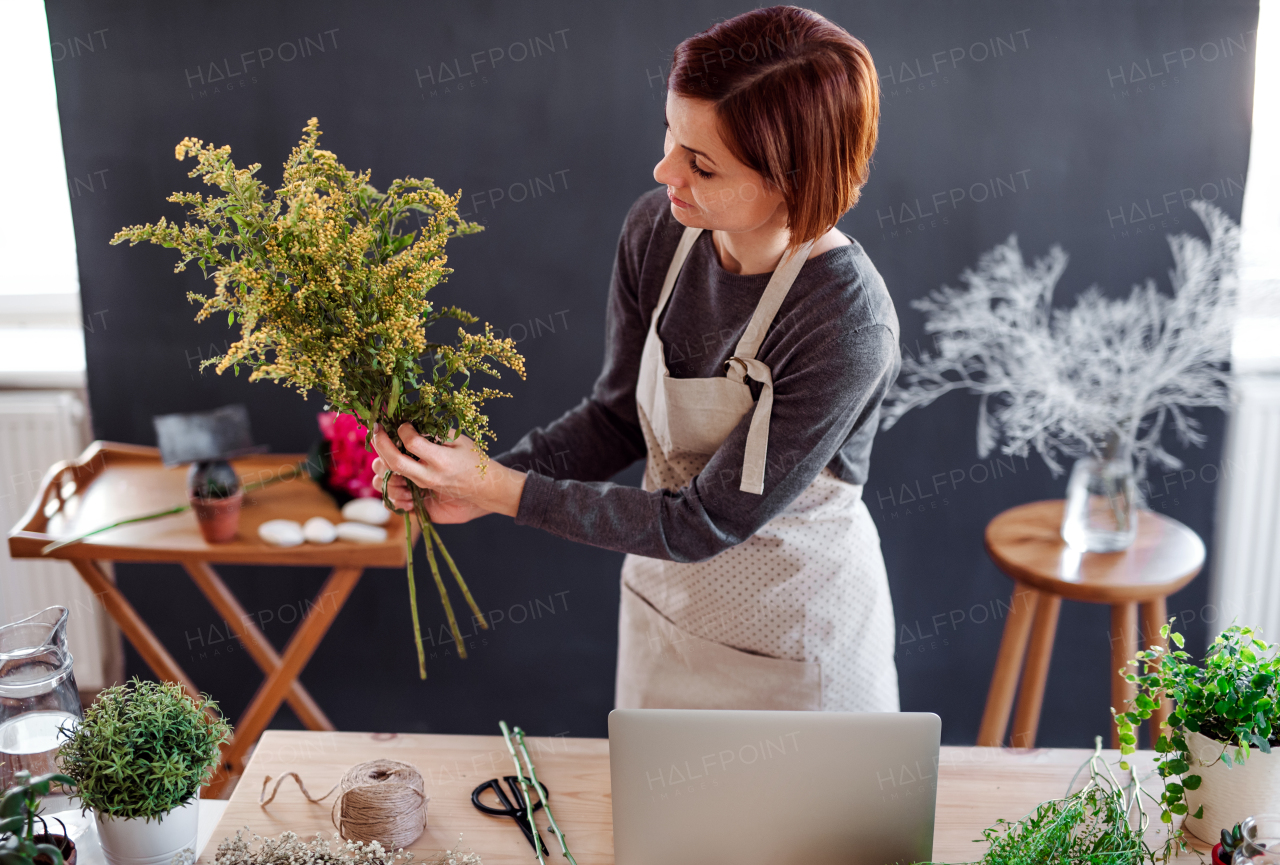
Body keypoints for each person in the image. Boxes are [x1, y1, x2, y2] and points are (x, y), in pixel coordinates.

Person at [372, 5, 900, 712]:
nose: (664, 170)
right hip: (666, 611)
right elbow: (618, 417)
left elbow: (702, 521)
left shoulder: (844, 321)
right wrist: (468, 480)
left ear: (793, 182)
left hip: (796, 643)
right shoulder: (659, 229)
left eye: (702, 164)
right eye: (671, 136)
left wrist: (502, 490)